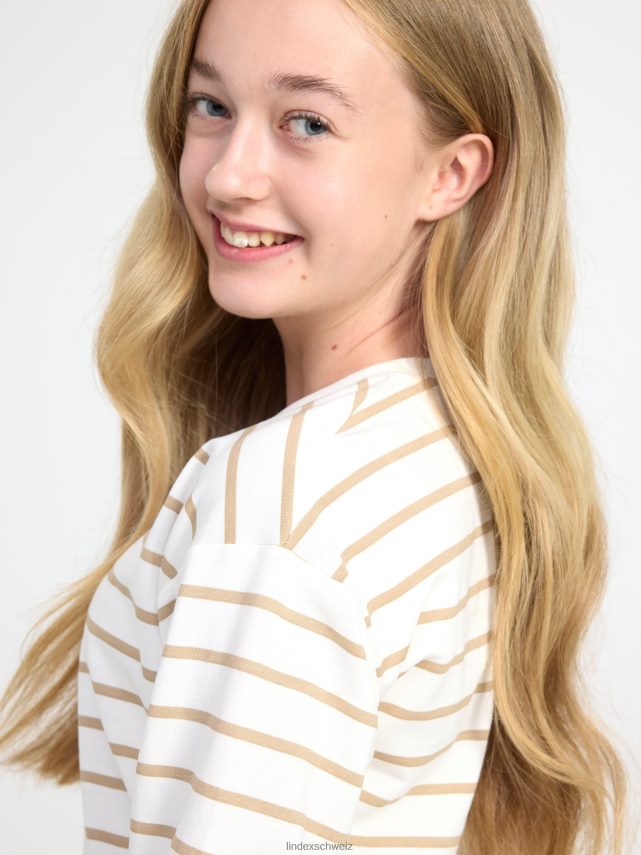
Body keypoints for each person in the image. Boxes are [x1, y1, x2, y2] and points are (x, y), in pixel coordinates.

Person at [0, 0, 629, 853]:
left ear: (450, 173)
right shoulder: (446, 458)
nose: (228, 176)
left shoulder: (281, 509)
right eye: (211, 105)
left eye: (306, 122)